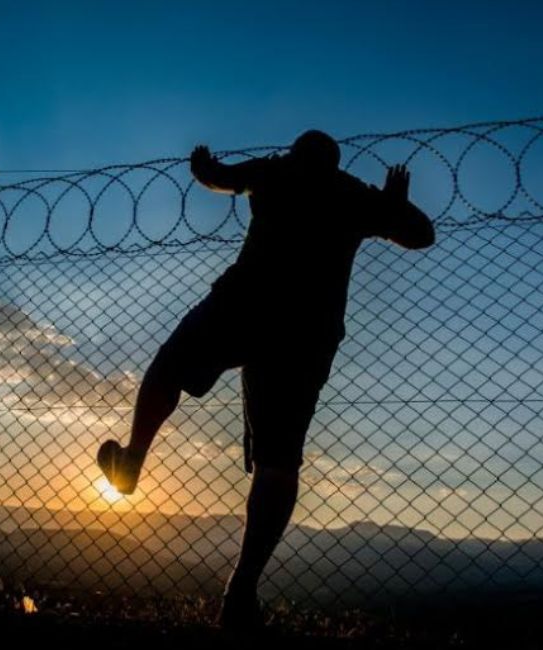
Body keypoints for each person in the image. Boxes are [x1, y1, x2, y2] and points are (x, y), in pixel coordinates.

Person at [97, 129, 434, 630]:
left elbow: (217, 177)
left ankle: (132, 460)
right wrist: (393, 206)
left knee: (170, 366)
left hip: (244, 304)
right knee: (279, 458)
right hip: (307, 332)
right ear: (334, 163)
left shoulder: (276, 172)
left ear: (297, 154)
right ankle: (241, 589)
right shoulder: (352, 195)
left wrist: (202, 166)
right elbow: (421, 235)